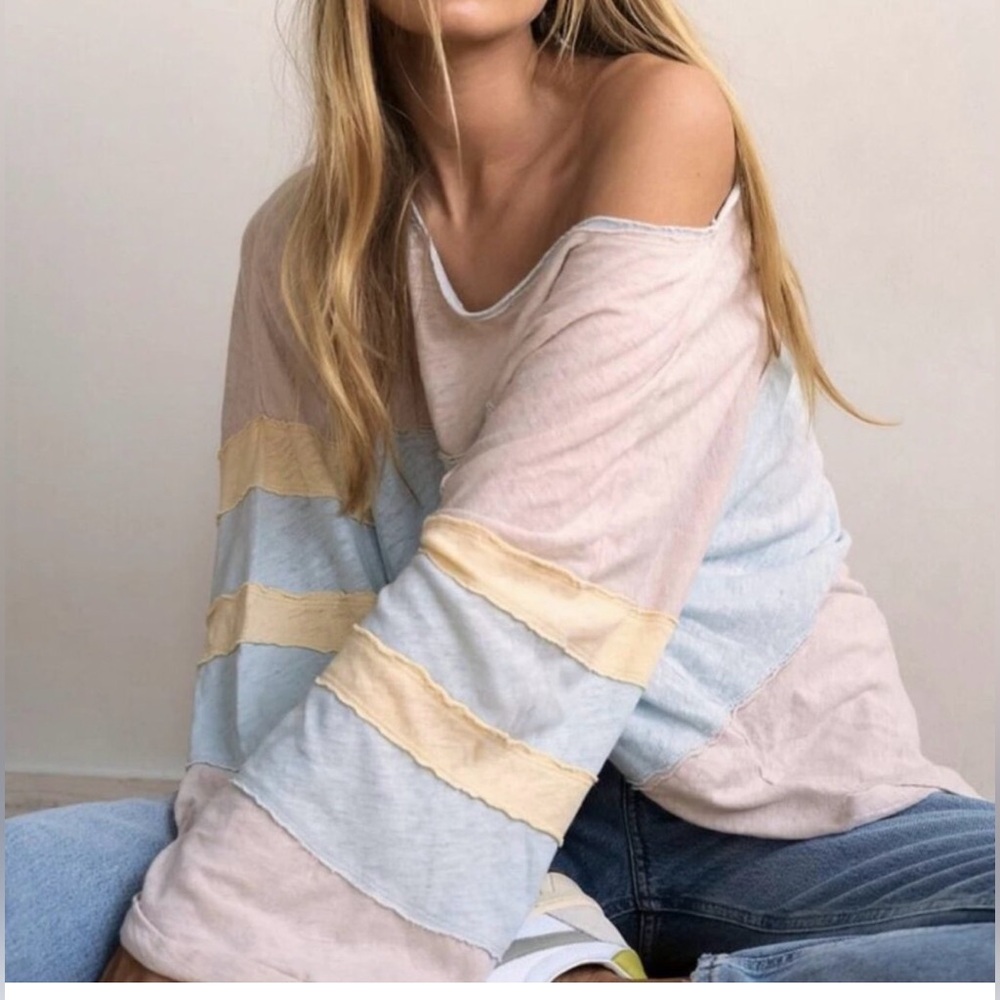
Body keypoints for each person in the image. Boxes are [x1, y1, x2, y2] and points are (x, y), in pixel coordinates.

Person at [5, 0, 994, 984]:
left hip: (789, 818)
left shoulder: (659, 118)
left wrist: (203, 950)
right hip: (460, 838)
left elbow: (531, 586)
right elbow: (290, 654)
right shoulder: (303, 247)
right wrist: (543, 950)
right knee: (25, 889)